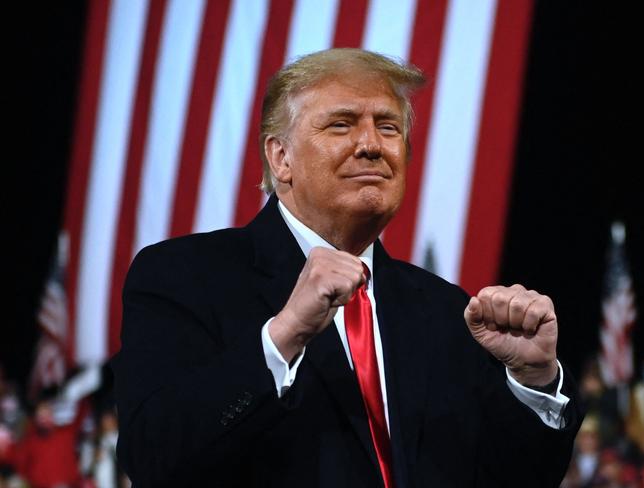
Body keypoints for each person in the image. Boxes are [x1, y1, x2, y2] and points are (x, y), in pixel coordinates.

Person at [111, 48, 583, 487]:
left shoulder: (445, 311)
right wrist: (284, 336)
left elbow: (510, 479)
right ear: (281, 157)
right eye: (341, 125)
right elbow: (153, 458)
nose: (371, 145)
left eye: (389, 127)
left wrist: (533, 383)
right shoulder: (182, 276)